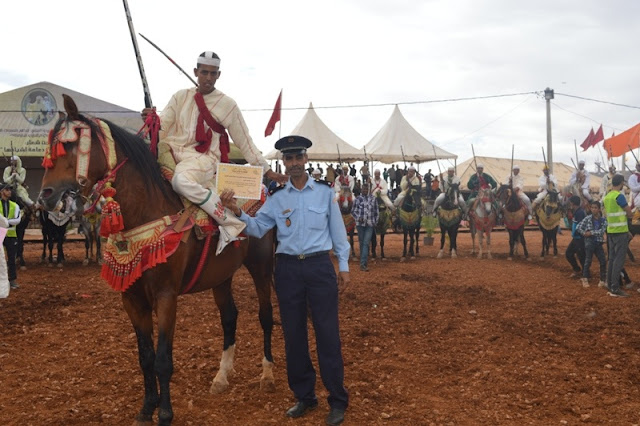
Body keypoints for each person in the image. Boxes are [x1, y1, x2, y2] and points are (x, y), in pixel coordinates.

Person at [220, 135, 349, 426]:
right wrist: (237, 210)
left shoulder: (324, 192)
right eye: (288, 159)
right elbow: (257, 228)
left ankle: (337, 399)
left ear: (306, 159)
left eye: (298, 157)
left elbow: (337, 231)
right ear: (284, 163)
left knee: (327, 334)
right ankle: (305, 396)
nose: (294, 163)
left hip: (319, 267)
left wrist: (343, 266)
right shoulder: (277, 197)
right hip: (288, 269)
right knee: (293, 336)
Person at [141, 51, 287, 255]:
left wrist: (267, 170)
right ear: (196, 72)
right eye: (204, 72)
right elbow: (163, 127)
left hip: (203, 159)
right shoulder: (180, 97)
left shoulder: (228, 104)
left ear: (219, 75)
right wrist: (151, 120)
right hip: (172, 152)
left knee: (180, 182)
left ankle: (228, 220)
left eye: (213, 73)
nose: (208, 78)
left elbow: (245, 141)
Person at [603, 174, 633, 297]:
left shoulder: (607, 196)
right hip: (620, 231)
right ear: (621, 183)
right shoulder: (619, 196)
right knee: (618, 260)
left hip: (611, 230)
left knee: (611, 259)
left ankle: (609, 283)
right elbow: (629, 212)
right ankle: (615, 287)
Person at [576, 200, 607, 289]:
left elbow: (602, 231)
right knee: (588, 260)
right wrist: (584, 233)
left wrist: (590, 233)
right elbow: (578, 227)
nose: (593, 209)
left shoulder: (603, 220)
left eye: (595, 208)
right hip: (590, 241)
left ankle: (602, 279)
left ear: (599, 209)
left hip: (597, 242)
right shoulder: (588, 218)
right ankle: (585, 278)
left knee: (602, 261)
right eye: (592, 207)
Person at [352, 182, 378, 271]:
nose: (365, 190)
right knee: (362, 242)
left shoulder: (373, 199)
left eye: (366, 189)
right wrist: (358, 218)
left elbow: (376, 211)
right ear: (361, 189)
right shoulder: (357, 199)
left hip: (370, 224)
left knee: (366, 243)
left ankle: (363, 264)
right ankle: (363, 261)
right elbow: (353, 211)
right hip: (360, 225)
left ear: (369, 190)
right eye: (364, 189)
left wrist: (375, 222)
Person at [0, 183, 20, 289]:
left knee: (12, 258)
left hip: (11, 235)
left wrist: (4, 222)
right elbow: (14, 221)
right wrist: (9, 222)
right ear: (2, 192)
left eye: (10, 190)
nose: (9, 191)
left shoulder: (15, 205)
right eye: (7, 189)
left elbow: (17, 220)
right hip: (0, 234)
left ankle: (12, 280)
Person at [566, 195, 586, 279]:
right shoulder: (577, 211)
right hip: (576, 237)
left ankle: (585, 273)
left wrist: (577, 233)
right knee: (570, 253)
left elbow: (581, 225)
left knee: (581, 255)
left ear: (572, 203)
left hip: (579, 238)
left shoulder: (580, 212)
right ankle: (578, 269)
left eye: (570, 202)